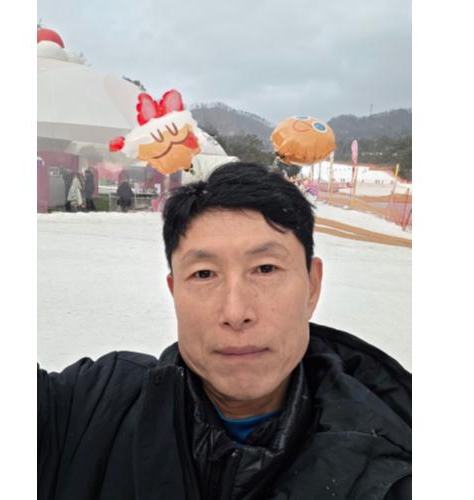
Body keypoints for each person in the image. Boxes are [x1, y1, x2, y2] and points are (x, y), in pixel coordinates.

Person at [38, 162, 411, 499]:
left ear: (312, 286)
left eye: (265, 269)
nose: (235, 313)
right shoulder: (88, 413)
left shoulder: (395, 466)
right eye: (204, 274)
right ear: (174, 291)